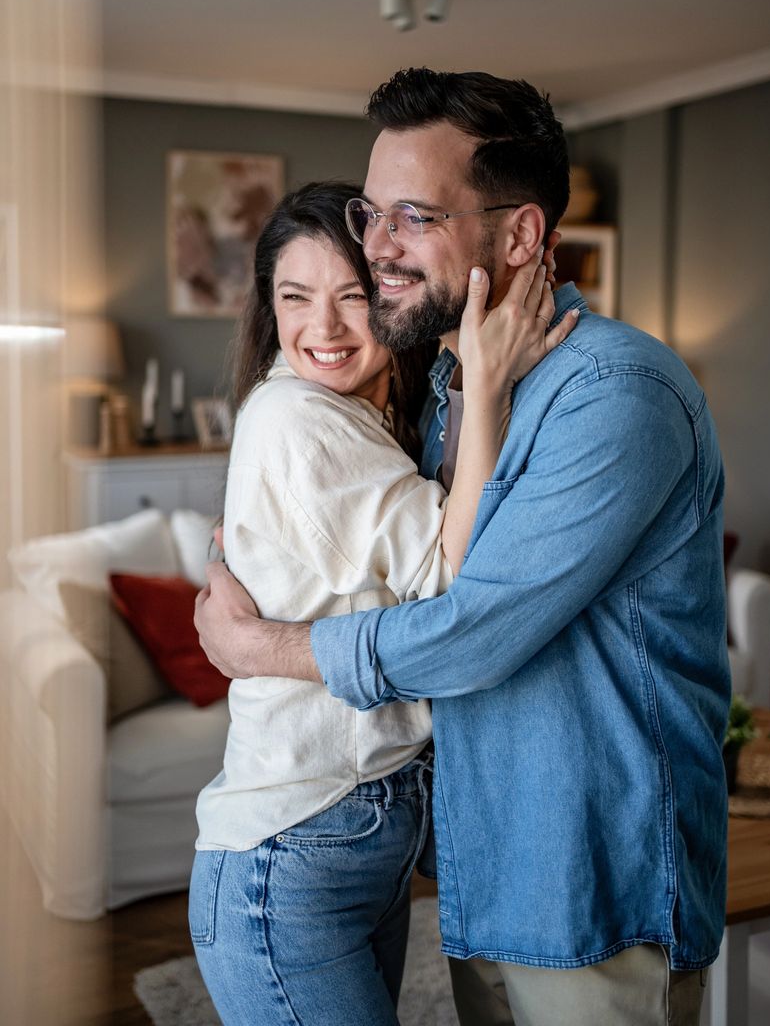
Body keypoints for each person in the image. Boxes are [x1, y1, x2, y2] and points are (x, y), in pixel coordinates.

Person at [195, 69, 730, 1026]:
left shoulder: (616, 395)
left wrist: (266, 650)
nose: (380, 247)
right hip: (480, 874)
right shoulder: (448, 381)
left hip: (593, 891)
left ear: (520, 234)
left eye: (414, 215)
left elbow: (469, 628)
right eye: (372, 212)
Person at [189, 179, 574, 1026]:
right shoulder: (300, 418)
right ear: (269, 307)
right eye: (295, 298)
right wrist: (488, 384)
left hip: (355, 834)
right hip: (296, 848)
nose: (321, 329)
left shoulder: (346, 415)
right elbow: (449, 582)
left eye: (352, 297)